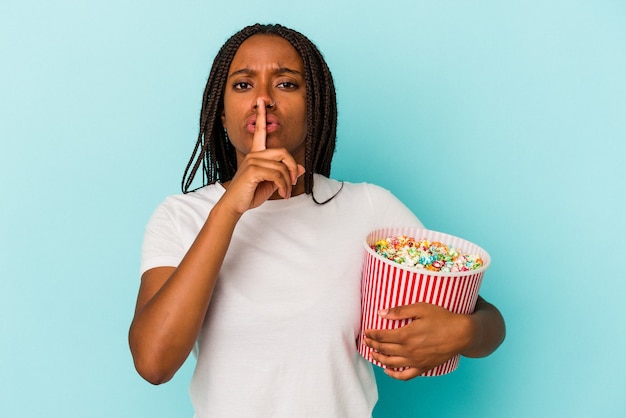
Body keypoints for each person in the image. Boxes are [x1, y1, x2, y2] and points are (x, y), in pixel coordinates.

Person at [129, 23, 505, 417]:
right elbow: (154, 363)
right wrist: (228, 210)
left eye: (286, 84)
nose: (262, 100)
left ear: (316, 108)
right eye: (243, 85)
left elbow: (487, 320)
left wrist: (464, 332)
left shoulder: (369, 210)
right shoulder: (181, 217)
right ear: (222, 115)